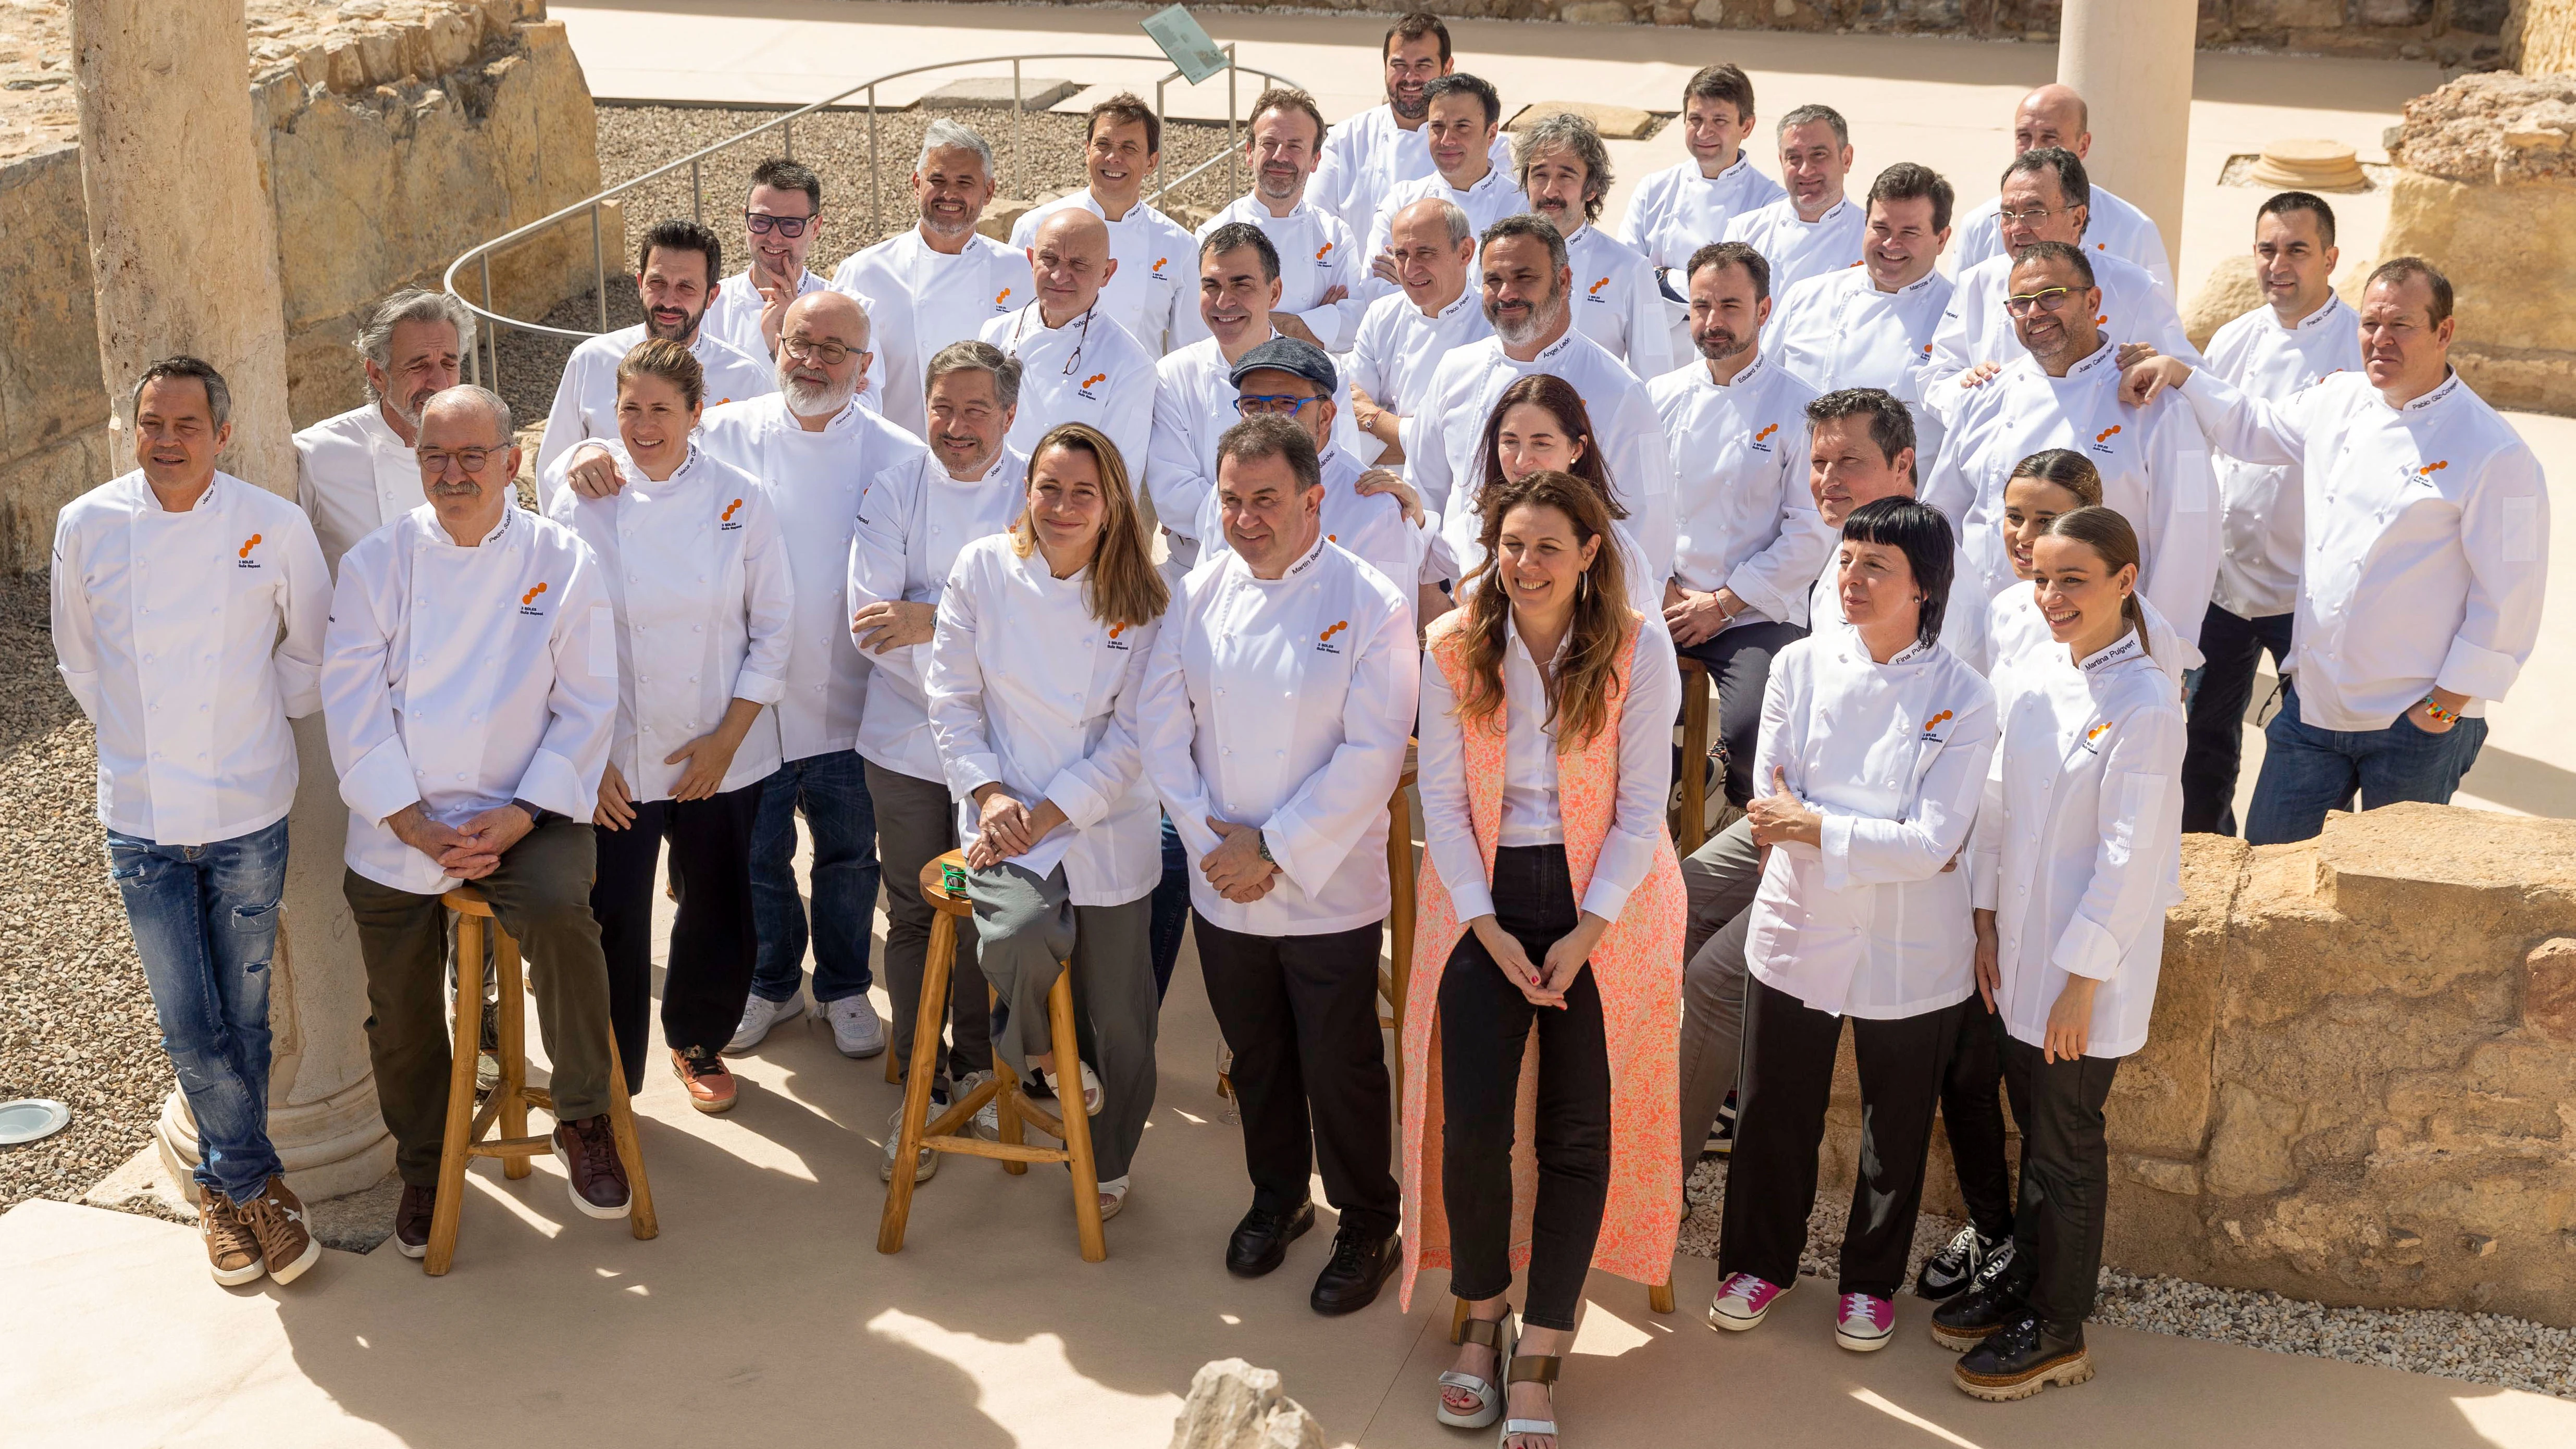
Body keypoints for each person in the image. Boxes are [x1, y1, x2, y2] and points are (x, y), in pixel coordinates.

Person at [1400, 469, 1685, 1449]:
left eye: (1547, 549)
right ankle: (1481, 1316)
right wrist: (1483, 926)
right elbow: (1439, 803)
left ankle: (1543, 1348)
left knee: (1575, 1134)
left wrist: (1584, 932)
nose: (1525, 567)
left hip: (1601, 906)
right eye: (1511, 546)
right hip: (1481, 900)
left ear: (1589, 554)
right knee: (1473, 1128)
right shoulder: (1449, 646)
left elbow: (1642, 807)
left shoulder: (1637, 654)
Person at [323, 385, 626, 1257]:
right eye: (434, 458)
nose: (453, 475)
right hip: (398, 819)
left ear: (511, 461)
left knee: (567, 924)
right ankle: (426, 1165)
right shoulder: (377, 563)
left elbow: (587, 703)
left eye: (470, 457)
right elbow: (350, 706)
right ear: (415, 462)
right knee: (400, 1005)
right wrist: (413, 821)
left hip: (527, 805)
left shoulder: (560, 559)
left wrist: (524, 810)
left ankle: (581, 1117)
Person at [53, 356, 331, 1286]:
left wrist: (249, 721)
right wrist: (140, 743)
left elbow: (311, 649)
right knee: (186, 1021)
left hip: (250, 804)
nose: (165, 441)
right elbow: (81, 664)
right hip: (139, 812)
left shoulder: (273, 524)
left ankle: (220, 1193)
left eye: (184, 425)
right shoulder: (85, 525)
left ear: (221, 434)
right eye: (149, 423)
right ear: (131, 431)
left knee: (243, 1015)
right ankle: (253, 1184)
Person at [1139, 416, 1418, 1315]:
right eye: (1230, 499)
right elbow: (1158, 724)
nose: (1245, 518)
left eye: (1265, 499)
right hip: (1225, 883)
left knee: (1340, 1065)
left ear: (1311, 498)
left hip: (1327, 886)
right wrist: (1211, 844)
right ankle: (1277, 1195)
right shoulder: (1199, 589)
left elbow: (1373, 754)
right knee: (1255, 1056)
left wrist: (1274, 848)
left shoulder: (1371, 599)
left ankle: (1369, 1219)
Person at [2123, 257, 2548, 846]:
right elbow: (2252, 426)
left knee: (2392, 894)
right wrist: (2181, 374)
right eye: (2371, 323)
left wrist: (2442, 712)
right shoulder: (2339, 400)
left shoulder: (2499, 453)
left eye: (2402, 325)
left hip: (2413, 724)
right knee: (2270, 863)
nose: (2381, 339)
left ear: (2444, 332)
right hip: (2314, 711)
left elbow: (2512, 600)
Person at [1705, 498, 1997, 1354]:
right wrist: (1872, 836)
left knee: (1893, 1122)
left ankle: (1869, 1284)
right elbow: (1768, 806)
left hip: (1911, 946)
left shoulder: (1962, 697)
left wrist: (1820, 826)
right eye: (1846, 560)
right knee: (1771, 1109)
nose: (1852, 579)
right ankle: (1759, 1262)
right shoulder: (1796, 665)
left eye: (1875, 566)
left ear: (1924, 589)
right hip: (1798, 924)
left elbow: (1937, 841)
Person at [1939, 506, 2185, 1401]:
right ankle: (2025, 1281)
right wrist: (1981, 922)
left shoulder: (2146, 705)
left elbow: (2129, 860)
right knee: (2030, 1132)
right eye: (2039, 578)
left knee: (2064, 1143)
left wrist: (2081, 982)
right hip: (2013, 957)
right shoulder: (2038, 673)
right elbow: (1998, 802)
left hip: (2086, 975)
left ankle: (2058, 1327)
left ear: (2124, 580)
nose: (2049, 597)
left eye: (2071, 579)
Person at [925, 422, 1169, 1220]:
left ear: (1113, 507)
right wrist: (992, 797)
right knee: (1019, 935)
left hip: (1102, 818)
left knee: (1122, 1017)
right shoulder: (984, 570)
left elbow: (1137, 734)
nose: (1063, 507)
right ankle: (1035, 1059)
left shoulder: (1146, 597)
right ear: (1025, 491)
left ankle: (1109, 1156)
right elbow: (953, 700)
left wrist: (1057, 809)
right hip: (1004, 810)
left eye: (1083, 493)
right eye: (1049, 488)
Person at [544, 339, 793, 1116]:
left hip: (717, 746)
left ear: (697, 411)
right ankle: (610, 1073)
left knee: (718, 901)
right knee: (612, 912)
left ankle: (696, 1039)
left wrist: (727, 741)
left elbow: (777, 628)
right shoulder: (579, 499)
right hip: (612, 752)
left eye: (660, 408)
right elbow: (551, 637)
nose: (644, 425)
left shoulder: (740, 496)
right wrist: (587, 758)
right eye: (629, 409)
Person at [1674, 387, 1918, 1166]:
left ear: (1903, 466)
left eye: (1851, 460)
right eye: (1818, 462)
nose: (1829, 478)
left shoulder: (1933, 575)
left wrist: (1804, 832)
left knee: (1714, 980)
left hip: (1863, 844)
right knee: (1669, 902)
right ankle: (1694, 1103)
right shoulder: (1834, 566)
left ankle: (1652, 1178)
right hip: (1788, 819)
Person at [696, 292, 923, 1058]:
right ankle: (771, 982)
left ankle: (844, 985)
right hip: (750, 701)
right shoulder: (720, 436)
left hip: (854, 697)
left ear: (864, 369)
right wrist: (582, 461)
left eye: (835, 350)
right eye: (801, 343)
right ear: (776, 346)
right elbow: (633, 471)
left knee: (849, 855)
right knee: (759, 857)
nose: (814, 360)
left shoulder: (900, 455)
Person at [848, 340, 1031, 1180]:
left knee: (991, 907)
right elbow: (873, 625)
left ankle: (983, 1065)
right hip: (907, 743)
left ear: (1009, 415)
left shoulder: (1043, 489)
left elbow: (1049, 620)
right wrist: (958, 636)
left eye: (975, 411)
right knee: (918, 910)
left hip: (1012, 748)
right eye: (942, 408)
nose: (955, 428)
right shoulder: (895, 488)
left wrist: (933, 617)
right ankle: (924, 1085)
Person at [1923, 242, 2218, 653]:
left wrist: (2170, 649)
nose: (2035, 313)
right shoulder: (1984, 394)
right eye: (2021, 303)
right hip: (1981, 635)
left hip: (2102, 645)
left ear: (2094, 301)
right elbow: (1942, 514)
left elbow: (2187, 533)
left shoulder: (2155, 402)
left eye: (2051, 296)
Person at [2179, 192, 2362, 835]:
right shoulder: (2233, 339)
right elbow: (2201, 447)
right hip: (2224, 589)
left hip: (2307, 596)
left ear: (2331, 258)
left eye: (2296, 250)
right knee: (2203, 740)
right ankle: (2203, 855)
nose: (2278, 264)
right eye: (2266, 249)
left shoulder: (2360, 346)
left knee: (2317, 744)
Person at [1651, 240, 1831, 810]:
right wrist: (1661, 587)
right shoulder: (1659, 398)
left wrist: (1723, 603)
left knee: (1757, 727)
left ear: (1764, 310)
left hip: (1754, 612)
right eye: (1702, 306)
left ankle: (1735, 842)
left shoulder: (1802, 409)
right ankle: (1682, 785)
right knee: (1614, 711)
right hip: (1665, 602)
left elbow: (1812, 530)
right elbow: (1632, 509)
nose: (1713, 321)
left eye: (1731, 306)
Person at [1410, 215, 1678, 591]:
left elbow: (1649, 533)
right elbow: (1423, 494)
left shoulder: (1620, 391)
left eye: (1524, 278)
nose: (1506, 294)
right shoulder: (1455, 371)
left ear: (1564, 281)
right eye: (1494, 280)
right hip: (1464, 603)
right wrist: (1429, 597)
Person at [1150, 225, 1365, 577]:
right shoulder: (1173, 374)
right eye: (1211, 286)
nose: (1224, 302)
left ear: (1274, 292)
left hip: (1307, 568)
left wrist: (1239, 512)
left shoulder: (1324, 374)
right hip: (1191, 571)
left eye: (1241, 285)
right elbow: (1172, 495)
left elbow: (1338, 473)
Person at [1926, 150, 2196, 402]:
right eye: (2008, 214)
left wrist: (2156, 367)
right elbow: (1936, 379)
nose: (2017, 228)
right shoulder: (1977, 282)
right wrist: (1969, 384)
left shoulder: (2134, 288)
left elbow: (2185, 381)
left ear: (2077, 219)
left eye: (2034, 213)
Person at [535, 218, 776, 490]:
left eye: (686, 287)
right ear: (640, 284)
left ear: (712, 296)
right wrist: (580, 456)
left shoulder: (747, 379)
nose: (669, 301)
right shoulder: (591, 360)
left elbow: (768, 481)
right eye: (657, 283)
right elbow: (551, 470)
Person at [1191, 336, 1421, 609]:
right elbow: (1203, 598)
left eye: (1286, 404)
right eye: (1252, 405)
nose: (1266, 420)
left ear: (1325, 416)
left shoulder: (1374, 508)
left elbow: (1388, 629)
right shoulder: (1228, 491)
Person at [832, 119, 1024, 437]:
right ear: (916, 184)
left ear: (989, 191)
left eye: (965, 182)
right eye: (938, 180)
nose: (950, 194)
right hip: (893, 462)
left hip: (988, 464)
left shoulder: (1021, 273)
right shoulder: (864, 273)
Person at [1764, 163, 1956, 468]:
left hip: (1897, 510)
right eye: (1880, 229)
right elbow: (1766, 390)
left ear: (1942, 239)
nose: (1891, 245)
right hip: (1800, 500)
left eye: (1909, 232)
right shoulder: (1807, 296)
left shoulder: (1959, 317)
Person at [294, 288, 474, 569]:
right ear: (377, 374)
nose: (439, 383)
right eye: (419, 366)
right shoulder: (318, 454)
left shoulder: (483, 444)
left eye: (449, 364)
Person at [1009, 94, 1202, 356]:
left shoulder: (1180, 245)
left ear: (1151, 162)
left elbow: (1189, 350)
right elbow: (1011, 325)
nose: (1113, 157)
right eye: (1103, 144)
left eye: (1129, 148)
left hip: (1137, 392)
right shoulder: (1035, 227)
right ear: (1087, 150)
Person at [1459, 375, 1660, 622]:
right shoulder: (1474, 520)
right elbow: (1429, 558)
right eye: (1510, 441)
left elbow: (1645, 641)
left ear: (1576, 449)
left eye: (1541, 444)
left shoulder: (1616, 547)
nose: (1522, 460)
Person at [1617, 64, 1785, 352]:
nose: (1704, 132)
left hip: (1727, 348)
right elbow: (1627, 276)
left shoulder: (1772, 203)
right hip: (1653, 344)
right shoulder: (1654, 189)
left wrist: (1663, 277)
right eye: (1696, 119)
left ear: (1747, 126)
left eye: (1720, 120)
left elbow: (1751, 293)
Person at [980, 207, 1157, 478]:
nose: (1059, 276)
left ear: (1107, 273)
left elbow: (1120, 478)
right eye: (1049, 260)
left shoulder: (1131, 364)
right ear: (1031, 260)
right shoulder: (995, 334)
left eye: (1078, 264)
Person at [1951, 84, 2175, 296]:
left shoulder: (2133, 229)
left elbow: (2157, 324)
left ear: (2083, 145)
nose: (2034, 149)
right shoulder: (1979, 225)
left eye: (2049, 138)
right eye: (2024, 137)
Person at [1308, 12, 1513, 242]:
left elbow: (1498, 231)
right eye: (1399, 65)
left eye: (1423, 65)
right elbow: (1316, 225)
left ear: (1447, 68)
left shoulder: (1489, 146)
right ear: (1385, 65)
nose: (1410, 77)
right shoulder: (1345, 139)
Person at [1194, 88, 1367, 354]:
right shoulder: (1212, 233)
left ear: (1315, 159)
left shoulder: (1335, 235)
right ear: (1250, 152)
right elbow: (1204, 325)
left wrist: (1247, 321)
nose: (1280, 157)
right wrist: (1318, 320)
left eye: (1295, 146)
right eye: (1269, 143)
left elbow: (1353, 326)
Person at [1517, 109, 1676, 379]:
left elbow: (1656, 377)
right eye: (1540, 175)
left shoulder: (1630, 269)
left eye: (1566, 176)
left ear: (1591, 189)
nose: (1549, 191)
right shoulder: (1500, 259)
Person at [1346, 197, 1491, 468]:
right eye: (1401, 255)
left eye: (1425, 253)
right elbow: (1349, 422)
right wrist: (1431, 445)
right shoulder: (1381, 315)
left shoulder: (1495, 327)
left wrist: (1376, 419)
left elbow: (1473, 444)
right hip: (1381, 491)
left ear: (1465, 253)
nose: (1411, 269)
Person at [1362, 74, 1528, 295]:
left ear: (1492, 134)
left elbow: (1516, 298)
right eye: (1437, 126)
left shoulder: (1521, 206)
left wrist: (1413, 286)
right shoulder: (1402, 199)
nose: (1447, 140)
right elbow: (1372, 287)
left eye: (1462, 127)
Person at [700, 157, 834, 365]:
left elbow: (863, 398)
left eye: (790, 224)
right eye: (761, 221)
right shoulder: (708, 306)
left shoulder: (847, 312)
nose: (774, 237)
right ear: (746, 219)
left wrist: (788, 332)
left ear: (815, 228)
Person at [1720, 105, 1863, 295]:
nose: (1805, 170)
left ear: (1846, 159)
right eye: (1794, 158)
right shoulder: (1746, 231)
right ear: (1782, 161)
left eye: (1819, 155)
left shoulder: (1873, 237)